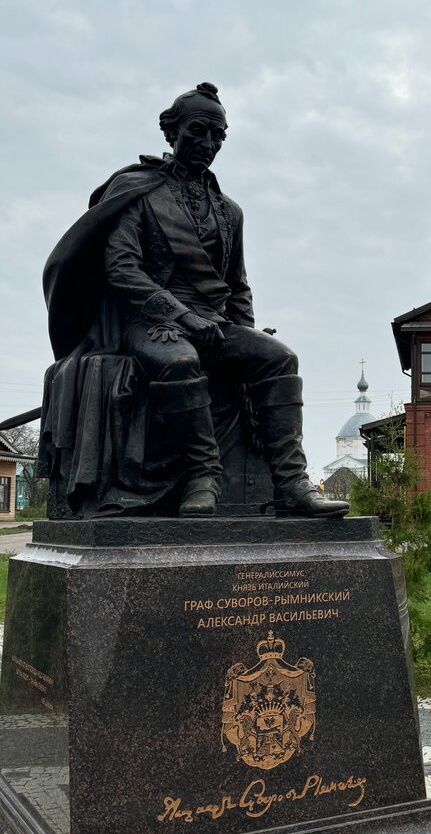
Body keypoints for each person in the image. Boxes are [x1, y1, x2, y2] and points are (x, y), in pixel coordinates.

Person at [40, 83, 348, 519]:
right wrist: (182, 315)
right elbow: (122, 269)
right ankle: (203, 476)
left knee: (279, 357)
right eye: (199, 131)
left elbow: (236, 285)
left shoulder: (229, 210)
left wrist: (247, 333)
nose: (208, 144)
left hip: (214, 324)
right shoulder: (136, 191)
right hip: (152, 323)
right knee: (180, 361)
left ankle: (292, 484)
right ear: (172, 132)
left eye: (218, 137)